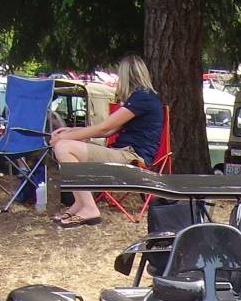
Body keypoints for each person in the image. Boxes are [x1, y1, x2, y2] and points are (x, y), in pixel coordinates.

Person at [49, 55, 164, 227]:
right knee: (64, 145)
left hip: (131, 156)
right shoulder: (142, 98)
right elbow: (110, 130)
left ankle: (89, 208)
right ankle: (80, 203)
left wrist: (64, 137)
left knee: (64, 147)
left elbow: (103, 128)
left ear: (126, 75)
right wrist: (71, 131)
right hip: (123, 152)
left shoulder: (143, 98)